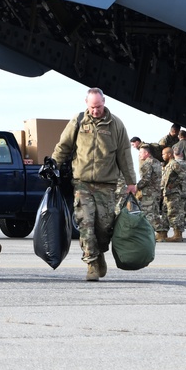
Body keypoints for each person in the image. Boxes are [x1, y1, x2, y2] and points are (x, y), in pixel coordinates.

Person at [52, 87, 136, 281]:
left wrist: (131, 182)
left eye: (98, 106)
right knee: (85, 224)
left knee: (104, 228)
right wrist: (53, 164)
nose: (95, 110)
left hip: (106, 185)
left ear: (104, 102)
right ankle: (91, 263)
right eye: (92, 107)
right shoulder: (78, 121)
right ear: (86, 103)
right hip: (82, 183)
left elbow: (124, 154)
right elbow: (63, 146)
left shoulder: (116, 125)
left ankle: (99, 254)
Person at [136, 145, 167, 242]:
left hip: (148, 192)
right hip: (156, 191)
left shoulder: (147, 164)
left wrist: (136, 187)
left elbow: (146, 179)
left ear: (146, 153)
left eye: (141, 153)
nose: (139, 155)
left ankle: (153, 233)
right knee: (155, 212)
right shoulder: (157, 162)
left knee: (148, 213)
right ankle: (160, 233)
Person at [161, 146, 186, 242]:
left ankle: (177, 235)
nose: (162, 156)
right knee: (166, 213)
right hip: (167, 194)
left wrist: (174, 184)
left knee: (173, 213)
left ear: (169, 154)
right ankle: (164, 234)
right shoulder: (167, 165)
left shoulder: (174, 164)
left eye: (164, 154)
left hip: (173, 193)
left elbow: (184, 174)